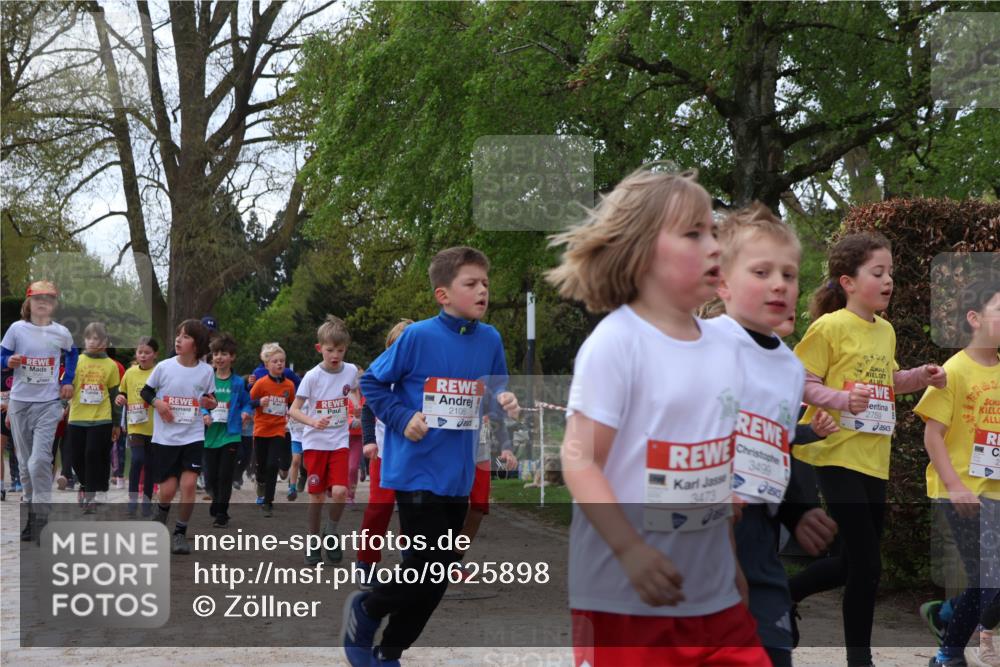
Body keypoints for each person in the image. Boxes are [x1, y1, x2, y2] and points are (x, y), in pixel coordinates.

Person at [544, 167, 766, 666]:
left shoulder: (724, 348)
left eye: (714, 231)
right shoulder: (617, 343)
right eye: (693, 233)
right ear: (641, 252)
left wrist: (730, 563)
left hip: (712, 596)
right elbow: (578, 460)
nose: (714, 246)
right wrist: (629, 550)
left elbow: (706, 469)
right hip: (625, 596)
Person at [345, 247, 520, 667]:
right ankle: (366, 609)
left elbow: (494, 393)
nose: (482, 291)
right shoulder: (418, 337)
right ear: (444, 294)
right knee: (427, 568)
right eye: (471, 284)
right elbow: (371, 383)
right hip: (417, 470)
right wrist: (403, 417)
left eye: (485, 284)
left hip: (457, 476)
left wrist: (505, 405)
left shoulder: (491, 339)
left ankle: (389, 653)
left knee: (436, 577)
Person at [788, 231, 947, 667]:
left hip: (873, 459)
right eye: (878, 272)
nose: (889, 280)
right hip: (835, 451)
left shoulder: (887, 331)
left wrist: (922, 377)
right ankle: (860, 660)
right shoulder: (830, 327)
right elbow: (800, 382)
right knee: (867, 564)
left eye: (891, 272)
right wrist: (839, 402)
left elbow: (887, 383)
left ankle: (780, 596)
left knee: (851, 563)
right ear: (848, 282)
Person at [711, 204, 839, 666]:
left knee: (772, 651)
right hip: (696, 537)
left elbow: (775, 452)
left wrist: (798, 512)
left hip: (760, 537)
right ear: (722, 283)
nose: (779, 283)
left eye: (789, 273)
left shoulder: (789, 368)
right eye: (761, 271)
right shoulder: (702, 345)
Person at [913, 277, 999, 667]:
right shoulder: (954, 369)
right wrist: (954, 486)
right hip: (961, 491)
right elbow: (933, 437)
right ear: (975, 318)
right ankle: (947, 654)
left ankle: (948, 612)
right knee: (987, 577)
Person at [1, 281, 78, 541]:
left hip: (48, 404)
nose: (43, 303)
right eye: (38, 299)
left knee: (38, 461)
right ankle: (33, 513)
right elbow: (2, 356)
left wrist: (67, 381)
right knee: (24, 465)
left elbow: (72, 354)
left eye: (49, 299)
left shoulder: (61, 332)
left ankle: (42, 514)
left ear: (54, 304)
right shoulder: (16, 329)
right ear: (29, 303)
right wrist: (7, 361)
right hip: (20, 403)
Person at [140, 319, 217, 554]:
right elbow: (145, 391)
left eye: (185, 336)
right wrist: (158, 404)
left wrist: (209, 404)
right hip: (166, 438)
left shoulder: (206, 371)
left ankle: (180, 533)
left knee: (190, 484)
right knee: (168, 490)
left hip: (192, 435)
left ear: (197, 344)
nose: (178, 339)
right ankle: (161, 512)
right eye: (178, 335)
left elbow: (211, 400)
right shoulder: (164, 367)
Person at [288, 315, 359, 564]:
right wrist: (312, 422)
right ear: (320, 349)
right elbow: (294, 409)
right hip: (315, 443)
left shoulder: (350, 370)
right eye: (330, 350)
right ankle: (313, 539)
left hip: (339, 441)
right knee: (316, 496)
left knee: (340, 491)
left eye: (340, 350)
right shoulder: (312, 376)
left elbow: (353, 391)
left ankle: (331, 531)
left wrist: (356, 405)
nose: (335, 355)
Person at [356, 319, 412, 587]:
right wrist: (368, 441)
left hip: (415, 455)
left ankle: (411, 560)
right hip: (384, 454)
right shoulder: (381, 373)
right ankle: (366, 562)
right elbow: (367, 409)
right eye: (397, 346)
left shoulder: (422, 375)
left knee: (415, 508)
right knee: (380, 507)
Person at [67, 322, 122, 513]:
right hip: (76, 416)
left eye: (97, 338)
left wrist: (116, 423)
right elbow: (66, 386)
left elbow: (115, 395)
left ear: (105, 342)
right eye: (89, 337)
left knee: (92, 454)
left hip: (101, 418)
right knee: (76, 458)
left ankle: (91, 495)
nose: (92, 341)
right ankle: (84, 484)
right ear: (84, 340)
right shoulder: (76, 360)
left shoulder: (111, 366)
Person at [201, 333, 252, 528]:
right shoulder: (207, 379)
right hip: (209, 436)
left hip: (230, 435)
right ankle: (216, 501)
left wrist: (245, 413)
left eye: (223, 353)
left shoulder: (238, 382)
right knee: (210, 478)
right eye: (215, 353)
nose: (219, 357)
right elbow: (201, 400)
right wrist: (205, 413)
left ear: (232, 357)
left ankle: (222, 513)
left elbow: (247, 403)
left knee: (225, 475)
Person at [249, 342, 296, 517]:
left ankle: (268, 502)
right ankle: (260, 484)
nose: (279, 364)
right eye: (275, 361)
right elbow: (249, 401)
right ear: (267, 364)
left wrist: (291, 413)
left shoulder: (289, 386)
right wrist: (259, 403)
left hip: (278, 430)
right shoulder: (261, 383)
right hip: (261, 429)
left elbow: (291, 404)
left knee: (272, 464)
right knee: (261, 466)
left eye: (282, 361)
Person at [116, 336, 158, 517]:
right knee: (137, 460)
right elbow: (121, 393)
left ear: (155, 354)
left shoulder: (160, 371)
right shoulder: (130, 372)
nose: (143, 356)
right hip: (135, 425)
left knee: (150, 465)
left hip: (156, 426)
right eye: (140, 352)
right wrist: (120, 399)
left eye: (147, 353)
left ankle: (147, 504)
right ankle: (132, 502)